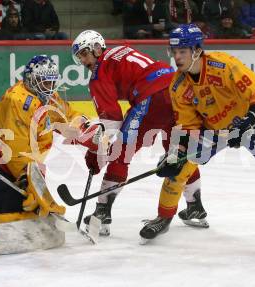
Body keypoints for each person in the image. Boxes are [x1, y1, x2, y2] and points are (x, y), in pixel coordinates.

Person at [140, 24, 255, 247]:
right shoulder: (178, 86)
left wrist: (245, 124)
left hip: (249, 123)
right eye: (174, 52)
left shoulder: (225, 65)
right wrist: (176, 154)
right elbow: (188, 126)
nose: (177, 57)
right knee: (179, 168)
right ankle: (163, 217)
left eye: (182, 51)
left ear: (197, 50)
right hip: (213, 129)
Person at [0, 55, 100, 257]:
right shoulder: (20, 101)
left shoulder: (44, 95)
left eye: (52, 81)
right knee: (29, 212)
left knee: (32, 209)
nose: (49, 86)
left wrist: (89, 132)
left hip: (11, 171)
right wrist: (35, 189)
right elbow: (16, 153)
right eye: (44, 81)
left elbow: (67, 117)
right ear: (32, 80)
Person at [71, 30, 206, 236]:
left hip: (152, 98)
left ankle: (102, 212)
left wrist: (96, 151)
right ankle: (195, 206)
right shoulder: (121, 50)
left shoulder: (100, 71)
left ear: (97, 48)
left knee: (120, 151)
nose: (82, 61)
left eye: (84, 54)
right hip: (177, 90)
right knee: (177, 152)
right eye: (79, 57)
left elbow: (112, 121)